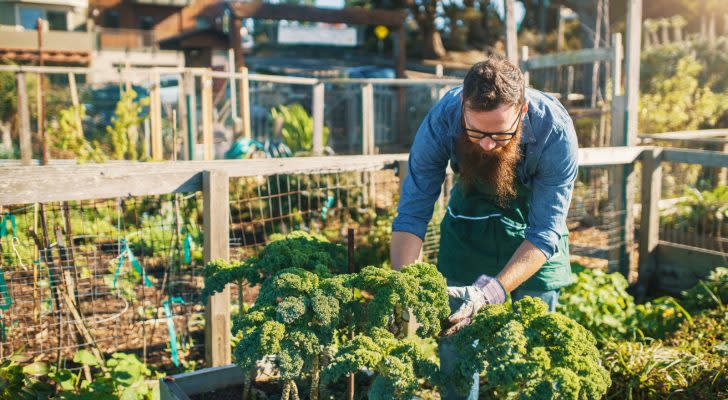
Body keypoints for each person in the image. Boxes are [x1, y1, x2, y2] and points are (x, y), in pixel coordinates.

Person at [390, 55, 578, 399]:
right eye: (475, 131)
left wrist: (489, 293)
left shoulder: (555, 131)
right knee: (456, 346)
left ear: (522, 111)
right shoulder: (443, 120)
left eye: (499, 133)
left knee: (536, 351)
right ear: (463, 105)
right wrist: (405, 290)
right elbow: (412, 212)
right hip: (469, 228)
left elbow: (545, 231)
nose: (487, 143)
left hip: (531, 239)